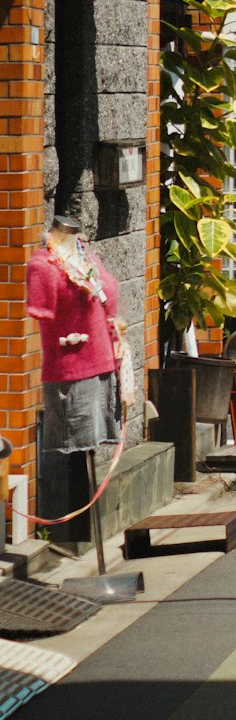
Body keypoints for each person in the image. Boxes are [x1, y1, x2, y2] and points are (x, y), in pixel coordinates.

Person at [26, 209, 128, 527]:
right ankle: (77, 541)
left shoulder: (86, 255)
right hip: (71, 374)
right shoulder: (43, 265)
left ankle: (93, 547)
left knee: (94, 455)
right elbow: (40, 312)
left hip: (103, 366)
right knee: (78, 459)